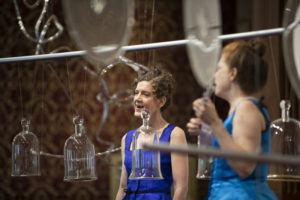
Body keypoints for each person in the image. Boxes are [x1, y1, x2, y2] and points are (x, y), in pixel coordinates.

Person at [187, 39, 278, 200]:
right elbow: (228, 154)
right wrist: (207, 131)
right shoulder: (240, 109)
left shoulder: (246, 109)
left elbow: (244, 166)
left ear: (232, 74)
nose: (215, 75)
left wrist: (215, 122)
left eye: (219, 68)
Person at [115, 68, 189, 200]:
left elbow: (181, 187)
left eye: (145, 94)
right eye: (136, 93)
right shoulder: (127, 138)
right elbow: (122, 187)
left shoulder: (175, 134)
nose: (137, 98)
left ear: (161, 101)